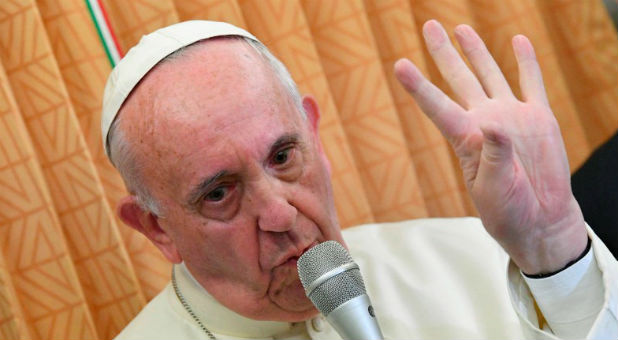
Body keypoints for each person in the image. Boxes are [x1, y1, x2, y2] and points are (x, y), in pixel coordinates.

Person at [101, 20, 617, 339]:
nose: (280, 214)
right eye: (219, 193)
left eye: (282, 156)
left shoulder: (476, 258)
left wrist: (553, 250)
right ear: (156, 228)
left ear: (314, 134)